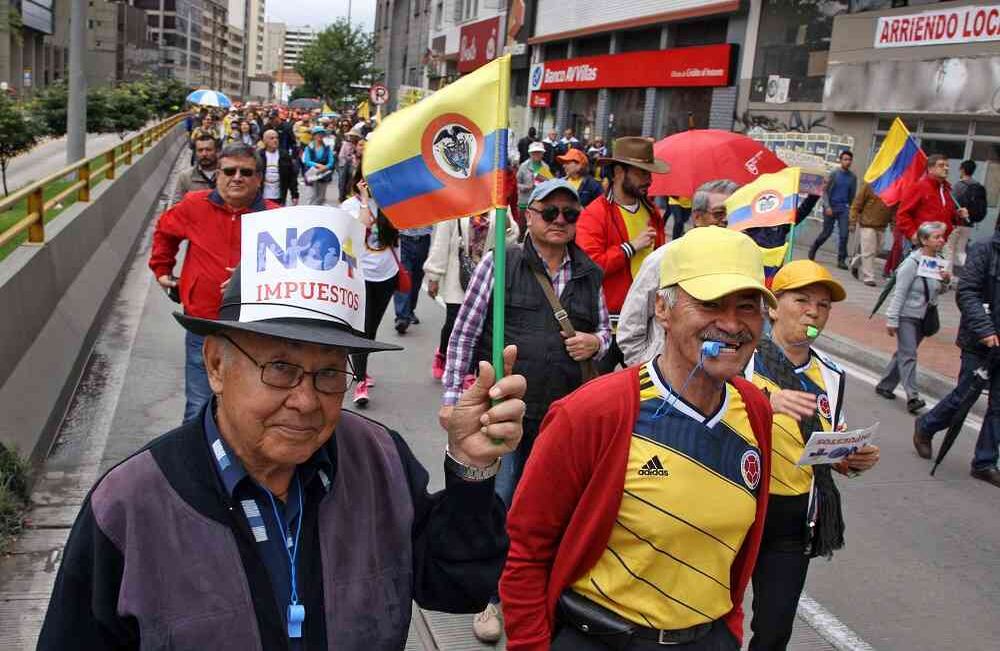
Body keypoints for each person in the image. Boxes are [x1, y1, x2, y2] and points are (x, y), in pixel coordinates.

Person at [38, 206, 528, 651]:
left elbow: (454, 586)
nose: (306, 400)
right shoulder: (129, 505)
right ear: (215, 364)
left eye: (330, 372)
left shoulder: (379, 460)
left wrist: (472, 469)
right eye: (279, 367)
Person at [501, 226, 776, 651]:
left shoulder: (755, 411)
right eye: (709, 304)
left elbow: (737, 556)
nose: (731, 324)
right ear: (662, 309)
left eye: (747, 307)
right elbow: (526, 552)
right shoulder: (593, 412)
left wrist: (728, 631)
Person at [442, 179, 610, 643]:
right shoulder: (502, 262)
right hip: (506, 413)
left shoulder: (589, 273)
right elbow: (464, 332)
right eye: (550, 211)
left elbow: (607, 332)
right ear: (529, 215)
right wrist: (455, 401)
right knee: (500, 505)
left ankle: (545, 595)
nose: (560, 221)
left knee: (556, 510)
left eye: (569, 214)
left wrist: (596, 341)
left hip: (565, 416)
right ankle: (489, 599)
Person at [746, 260, 879, 651]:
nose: (813, 312)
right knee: (716, 623)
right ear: (772, 306)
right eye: (801, 300)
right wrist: (767, 400)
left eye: (823, 306)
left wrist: (848, 458)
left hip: (795, 518)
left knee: (773, 632)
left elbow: (827, 438)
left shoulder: (832, 375)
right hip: (738, 508)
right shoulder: (742, 360)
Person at [150, 143, 278, 422]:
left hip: (255, 329)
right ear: (218, 174)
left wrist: (249, 276)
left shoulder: (276, 217)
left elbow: (292, 267)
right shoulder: (194, 205)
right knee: (199, 405)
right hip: (203, 325)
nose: (237, 178)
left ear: (259, 178)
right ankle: (195, 463)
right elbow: (164, 230)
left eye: (246, 172)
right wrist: (162, 269)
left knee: (253, 406)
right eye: (229, 171)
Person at [617, 179, 739, 367]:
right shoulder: (663, 260)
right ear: (697, 217)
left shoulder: (742, 264)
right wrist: (648, 368)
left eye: (735, 214)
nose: (727, 220)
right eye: (719, 214)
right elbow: (630, 326)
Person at [914, 224, 1000, 487]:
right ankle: (927, 425)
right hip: (979, 340)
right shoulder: (985, 250)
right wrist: (985, 329)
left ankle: (985, 462)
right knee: (966, 395)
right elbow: (967, 292)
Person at [577, 136, 669, 373]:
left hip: (646, 326)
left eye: (649, 173)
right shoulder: (595, 214)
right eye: (642, 173)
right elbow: (590, 266)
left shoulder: (652, 212)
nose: (649, 180)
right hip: (606, 328)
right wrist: (630, 247)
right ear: (619, 172)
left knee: (646, 395)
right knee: (596, 395)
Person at [424, 212, 520, 381]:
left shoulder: (497, 203)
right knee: (454, 322)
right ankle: (443, 352)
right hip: (458, 276)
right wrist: (434, 275)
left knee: (482, 326)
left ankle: (470, 370)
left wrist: (506, 224)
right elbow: (441, 242)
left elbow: (510, 240)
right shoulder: (457, 205)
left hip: (486, 277)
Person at [875, 221, 950, 413]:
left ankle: (885, 385)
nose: (942, 240)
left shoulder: (938, 262)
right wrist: (892, 320)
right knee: (909, 354)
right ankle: (913, 397)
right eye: (937, 237)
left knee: (904, 353)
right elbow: (899, 292)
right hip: (907, 316)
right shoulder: (911, 263)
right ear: (924, 240)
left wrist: (945, 281)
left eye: (942, 237)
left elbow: (936, 291)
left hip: (924, 317)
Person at [341, 170, 399, 407]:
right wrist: (365, 198)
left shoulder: (390, 205)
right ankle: (361, 380)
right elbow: (363, 225)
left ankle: (360, 367)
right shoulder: (349, 206)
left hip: (386, 275)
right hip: (360, 276)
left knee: (371, 329)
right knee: (362, 330)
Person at [895, 154, 967, 251]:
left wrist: (958, 216)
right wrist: (912, 234)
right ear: (930, 168)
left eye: (947, 166)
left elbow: (947, 216)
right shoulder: (919, 187)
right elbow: (902, 214)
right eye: (941, 165)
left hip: (940, 244)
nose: (946, 168)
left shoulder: (947, 191)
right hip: (920, 244)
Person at [808, 150, 857, 269]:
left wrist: (851, 212)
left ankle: (841, 260)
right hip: (830, 207)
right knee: (826, 233)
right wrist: (827, 206)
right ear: (840, 161)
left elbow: (852, 196)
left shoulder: (853, 177)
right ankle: (813, 248)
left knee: (844, 235)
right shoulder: (834, 174)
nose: (847, 162)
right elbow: (824, 191)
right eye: (845, 159)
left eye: (849, 160)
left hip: (843, 209)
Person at [847, 181, 895, 286]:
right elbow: (856, 205)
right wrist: (852, 222)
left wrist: (893, 224)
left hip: (882, 226)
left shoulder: (894, 187)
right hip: (867, 224)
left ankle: (855, 263)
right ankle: (869, 277)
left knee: (877, 250)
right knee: (869, 251)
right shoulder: (870, 186)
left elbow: (893, 208)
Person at [949, 160, 988, 278]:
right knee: (961, 250)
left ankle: (948, 275)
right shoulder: (978, 186)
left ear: (962, 169)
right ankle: (966, 273)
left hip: (956, 223)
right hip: (968, 223)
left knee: (950, 249)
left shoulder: (959, 186)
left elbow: (951, 204)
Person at [392, 225, 433, 335]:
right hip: (403, 238)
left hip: (423, 239)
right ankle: (402, 317)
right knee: (404, 276)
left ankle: (409, 311)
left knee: (417, 278)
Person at [172, 132, 220, 205]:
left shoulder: (229, 174)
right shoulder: (185, 177)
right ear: (195, 153)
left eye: (208, 150)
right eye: (200, 150)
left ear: (217, 151)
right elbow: (176, 207)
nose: (204, 154)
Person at [258, 129, 300, 206]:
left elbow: (292, 176)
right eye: (271, 138)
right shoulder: (258, 156)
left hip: (279, 197)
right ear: (264, 141)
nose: (275, 140)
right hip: (261, 197)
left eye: (277, 138)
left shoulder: (284, 155)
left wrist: (294, 195)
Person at [302, 126, 336, 206]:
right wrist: (318, 165)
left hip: (323, 175)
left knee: (321, 197)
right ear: (314, 136)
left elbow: (331, 161)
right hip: (311, 174)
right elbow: (307, 161)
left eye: (322, 134)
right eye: (318, 134)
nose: (320, 136)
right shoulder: (309, 147)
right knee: (311, 196)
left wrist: (325, 167)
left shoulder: (327, 148)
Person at [516, 141, 554, 210]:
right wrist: (526, 187)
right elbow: (516, 183)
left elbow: (550, 184)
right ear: (530, 154)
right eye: (534, 153)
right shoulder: (523, 166)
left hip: (540, 202)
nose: (536, 154)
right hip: (525, 202)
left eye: (539, 152)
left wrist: (546, 181)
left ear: (542, 154)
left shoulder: (546, 167)